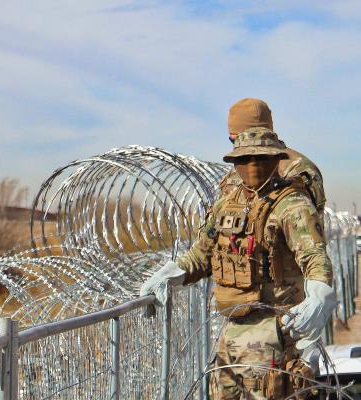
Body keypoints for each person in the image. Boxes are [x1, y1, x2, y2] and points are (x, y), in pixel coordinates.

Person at [141, 127, 336, 399]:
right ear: (234, 163)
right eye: (244, 160)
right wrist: (172, 274)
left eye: (261, 158)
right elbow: (203, 254)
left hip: (274, 333)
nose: (252, 166)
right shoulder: (226, 205)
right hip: (231, 333)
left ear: (275, 159)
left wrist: (319, 292)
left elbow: (313, 254)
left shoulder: (291, 204)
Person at [218, 98, 326, 215]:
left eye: (237, 140)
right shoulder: (237, 169)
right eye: (232, 141)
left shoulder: (299, 169)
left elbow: (308, 224)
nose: (236, 148)